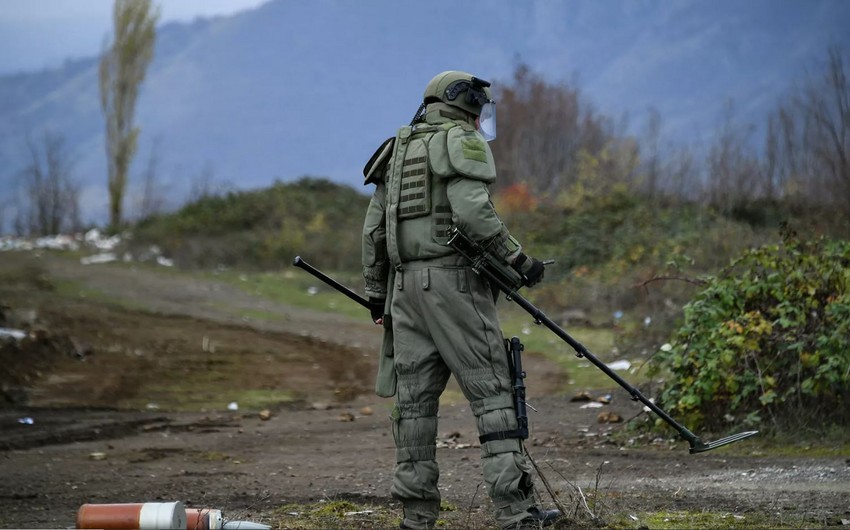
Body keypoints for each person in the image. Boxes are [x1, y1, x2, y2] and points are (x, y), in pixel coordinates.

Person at [361, 70, 560, 530]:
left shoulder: (396, 150)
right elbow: (473, 211)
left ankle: (416, 517)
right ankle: (516, 513)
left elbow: (373, 231)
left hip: (403, 291)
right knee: (493, 394)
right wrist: (518, 260)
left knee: (413, 407)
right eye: (478, 108)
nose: (479, 118)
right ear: (464, 104)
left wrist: (377, 296)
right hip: (453, 284)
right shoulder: (459, 141)